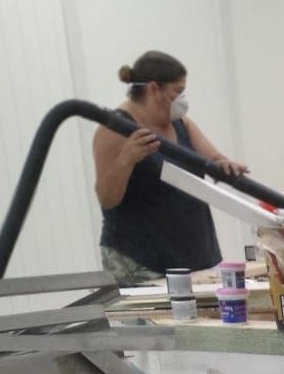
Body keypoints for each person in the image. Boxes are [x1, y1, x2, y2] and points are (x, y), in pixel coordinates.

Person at [92, 50, 248, 287]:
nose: (182, 99)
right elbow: (107, 198)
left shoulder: (181, 123)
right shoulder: (114, 130)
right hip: (142, 261)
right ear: (154, 89)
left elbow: (213, 158)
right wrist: (127, 159)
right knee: (156, 324)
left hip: (194, 254)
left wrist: (223, 164)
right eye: (178, 91)